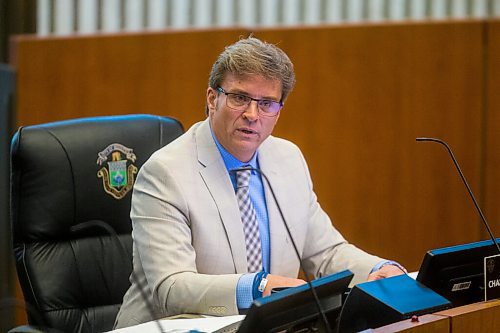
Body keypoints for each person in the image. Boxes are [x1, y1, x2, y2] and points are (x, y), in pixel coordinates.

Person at [114, 36, 404, 328]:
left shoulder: (287, 158)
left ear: (279, 111)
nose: (252, 115)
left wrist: (378, 270)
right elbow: (171, 288)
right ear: (213, 99)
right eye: (240, 98)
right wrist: (255, 288)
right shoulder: (166, 173)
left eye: (266, 103)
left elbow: (325, 252)